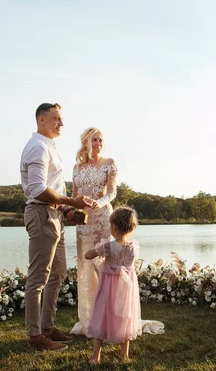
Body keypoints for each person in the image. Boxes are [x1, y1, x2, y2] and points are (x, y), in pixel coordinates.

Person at [20, 102, 93, 352]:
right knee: (38, 278)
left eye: (62, 119)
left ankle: (48, 328)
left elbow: (51, 188)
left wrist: (67, 210)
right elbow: (38, 190)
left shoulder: (49, 147)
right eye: (56, 119)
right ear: (41, 120)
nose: (61, 123)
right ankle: (35, 337)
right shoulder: (38, 148)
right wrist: (71, 200)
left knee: (59, 273)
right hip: (41, 216)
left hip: (54, 216)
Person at [69, 127, 118, 336]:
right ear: (85, 143)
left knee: (104, 267)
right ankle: (89, 320)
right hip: (84, 223)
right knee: (86, 267)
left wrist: (100, 202)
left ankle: (110, 320)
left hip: (103, 218)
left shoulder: (109, 163)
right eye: (94, 140)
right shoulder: (77, 168)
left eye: (100, 140)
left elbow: (113, 191)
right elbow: (73, 195)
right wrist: (72, 211)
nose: (98, 143)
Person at [84, 206, 142, 364]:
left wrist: (96, 249)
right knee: (125, 316)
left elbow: (88, 255)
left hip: (109, 286)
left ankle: (96, 356)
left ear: (114, 228)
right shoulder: (134, 247)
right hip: (126, 287)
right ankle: (124, 356)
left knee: (102, 315)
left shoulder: (108, 246)